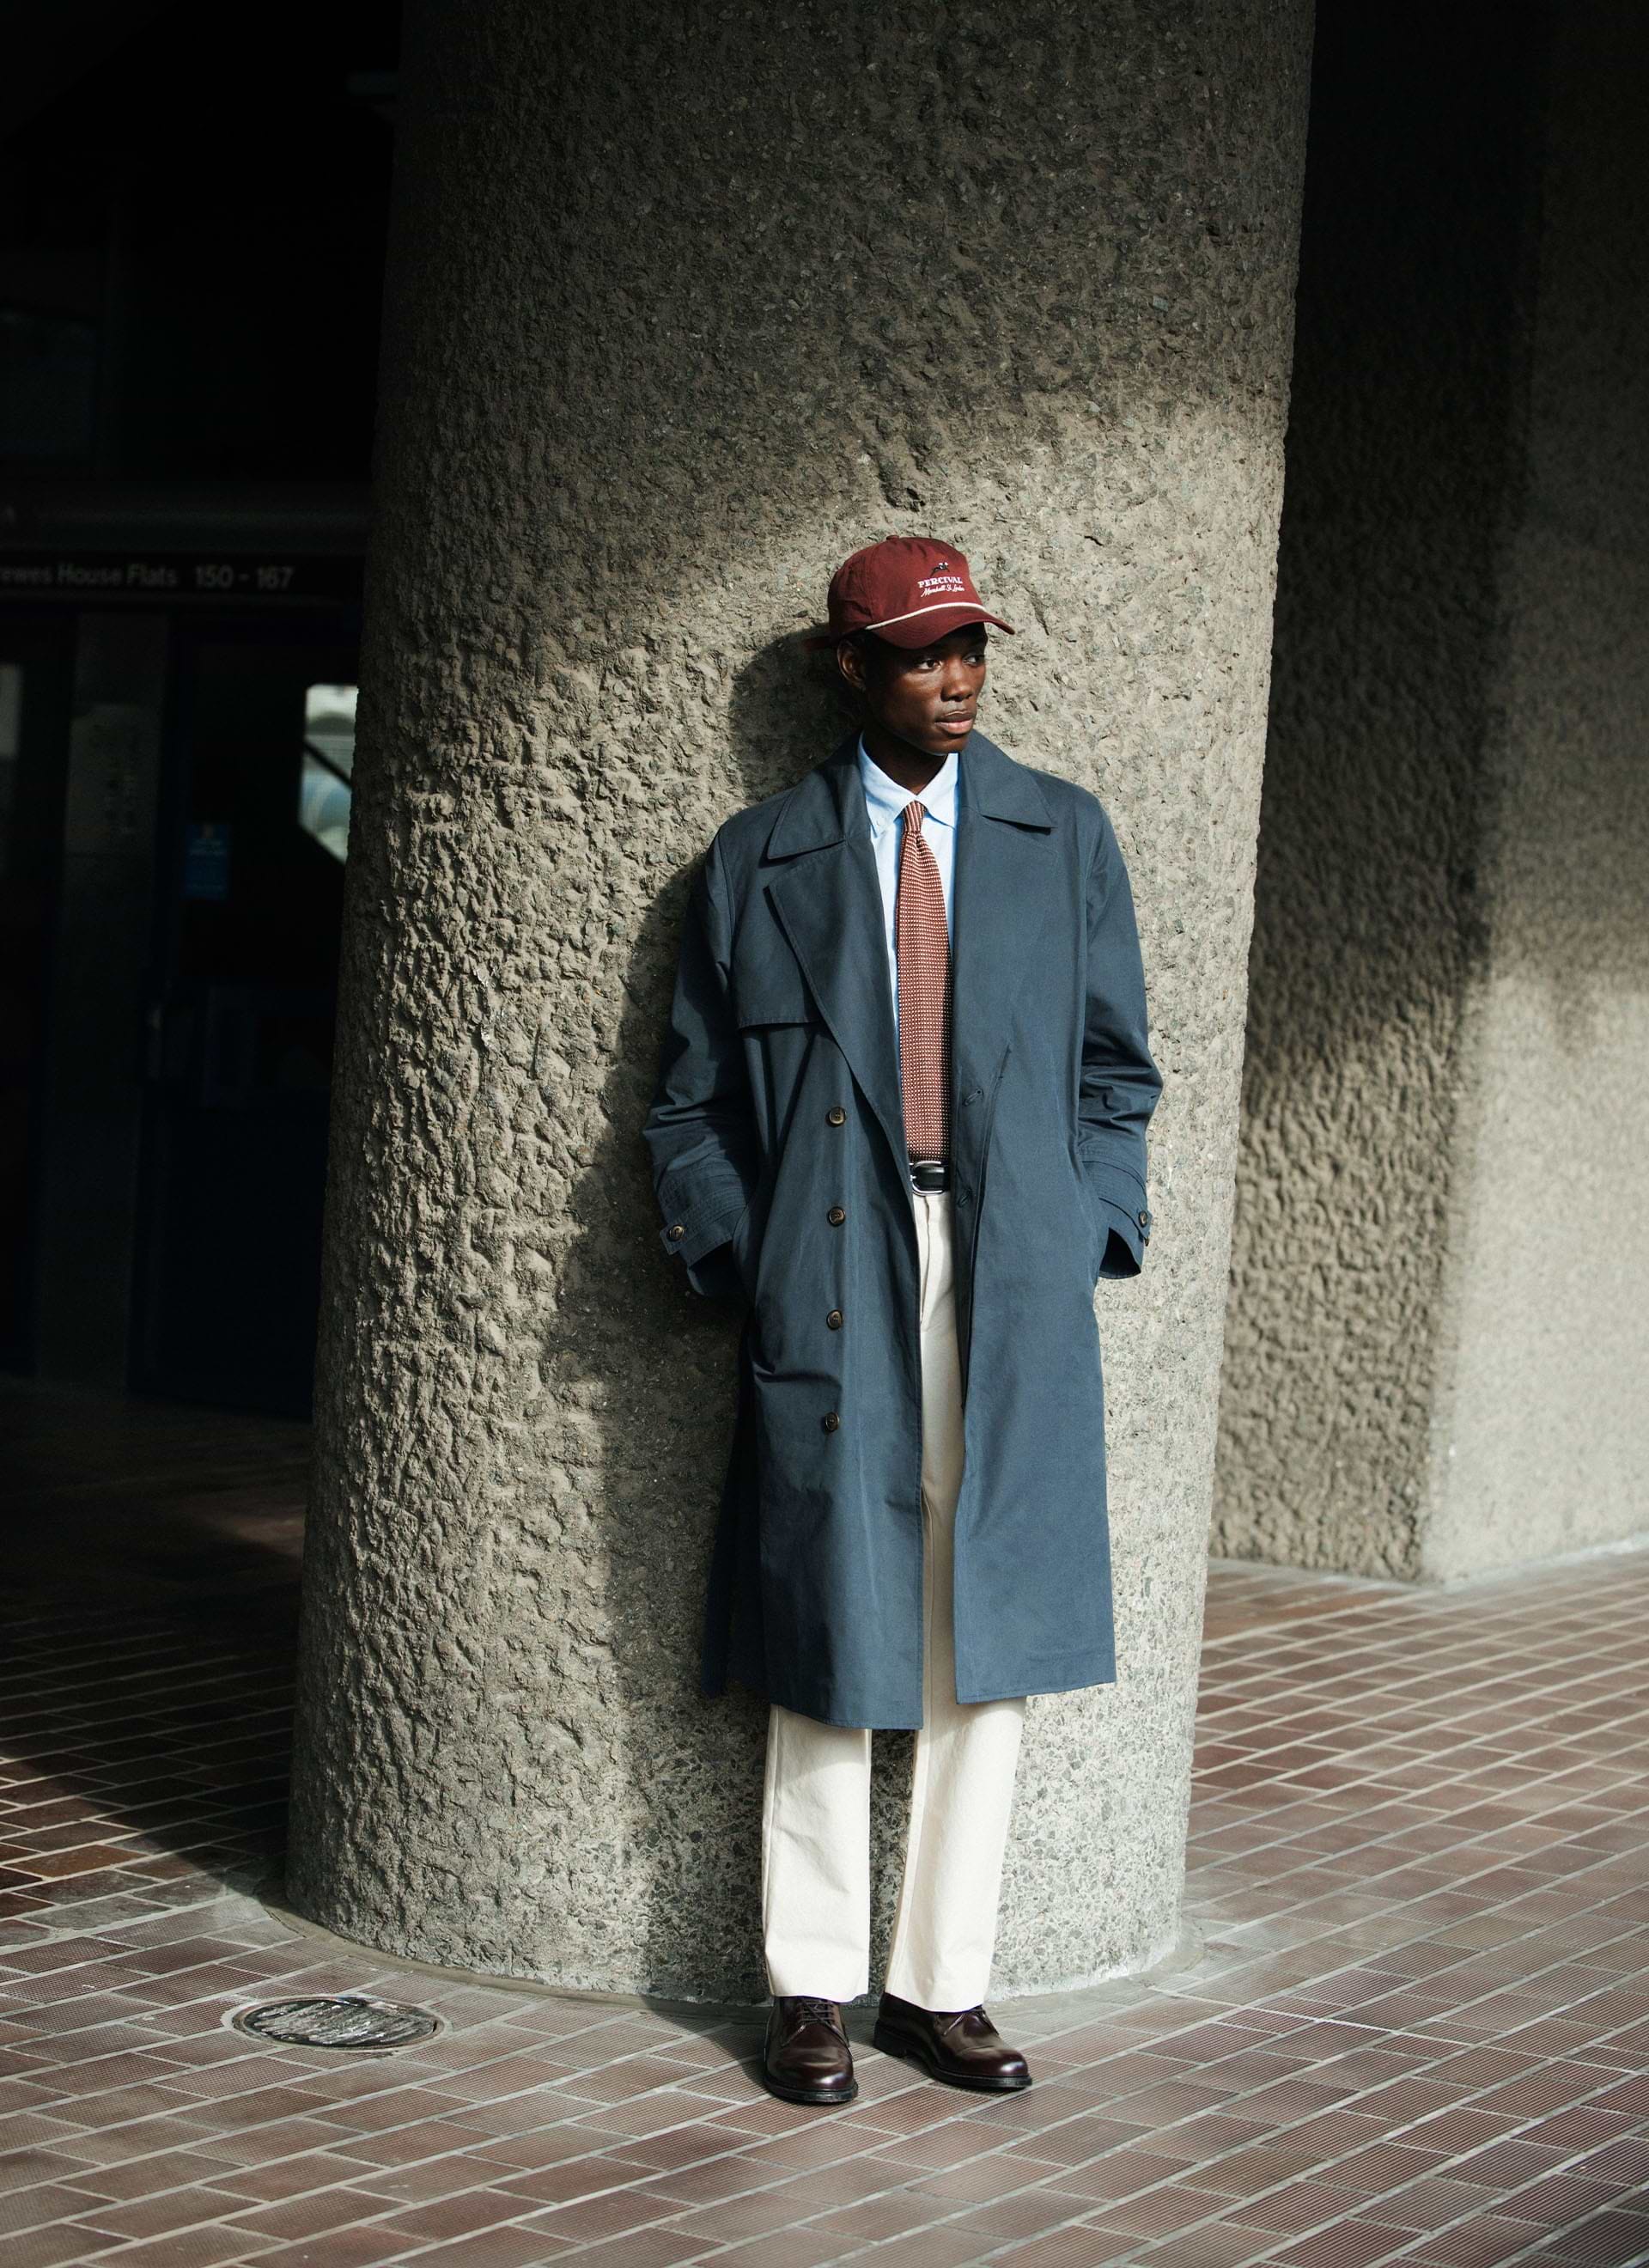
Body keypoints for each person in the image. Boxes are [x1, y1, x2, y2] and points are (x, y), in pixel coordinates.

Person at [643, 535, 1161, 2106]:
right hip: (831, 1266)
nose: (958, 680)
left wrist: (1089, 1223)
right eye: (926, 654)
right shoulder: (762, 856)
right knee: (829, 1613)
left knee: (982, 1625)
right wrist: (750, 1257)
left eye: (971, 650)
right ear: (853, 670)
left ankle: (944, 1985)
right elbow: (690, 1103)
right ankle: (810, 1985)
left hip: (1008, 1268)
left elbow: (1117, 1071)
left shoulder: (1062, 834)